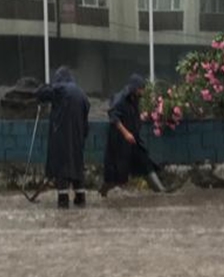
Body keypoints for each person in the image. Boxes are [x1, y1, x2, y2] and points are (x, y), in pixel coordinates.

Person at [100, 73, 165, 197]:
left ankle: (160, 191)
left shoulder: (134, 98)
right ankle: (103, 193)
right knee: (117, 175)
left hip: (133, 140)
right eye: (141, 88)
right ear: (135, 88)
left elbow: (132, 114)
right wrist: (126, 133)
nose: (143, 91)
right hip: (119, 142)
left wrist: (140, 118)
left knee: (145, 162)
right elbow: (113, 116)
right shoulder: (121, 99)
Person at [34, 66, 90, 208]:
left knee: (62, 168)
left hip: (61, 137)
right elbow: (85, 120)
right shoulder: (82, 94)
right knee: (77, 168)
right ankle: (80, 199)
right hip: (78, 139)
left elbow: (40, 94)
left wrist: (45, 86)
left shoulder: (60, 89)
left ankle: (63, 202)